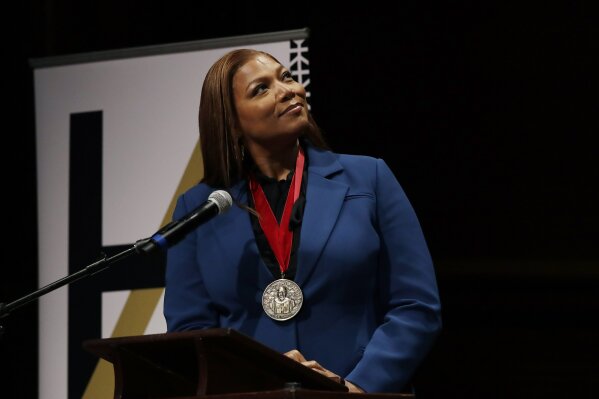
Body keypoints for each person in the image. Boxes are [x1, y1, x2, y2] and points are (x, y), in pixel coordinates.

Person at [163, 48, 442, 393]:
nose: (287, 90)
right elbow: (192, 331)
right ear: (231, 122)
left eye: (287, 77)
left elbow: (416, 305)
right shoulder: (199, 207)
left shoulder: (369, 177)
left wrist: (356, 387)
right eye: (261, 89)